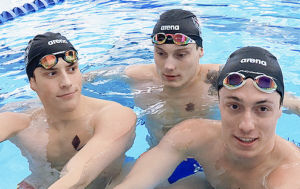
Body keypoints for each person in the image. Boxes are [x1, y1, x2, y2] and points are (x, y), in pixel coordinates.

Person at [83, 9, 300, 185]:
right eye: (161, 53)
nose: (169, 66)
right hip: (165, 153)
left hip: (209, 161)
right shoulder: (136, 76)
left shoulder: (223, 79)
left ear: (200, 51)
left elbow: (286, 100)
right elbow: (88, 78)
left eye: (181, 55)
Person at [113, 46, 300, 189]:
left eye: (262, 109)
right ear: (219, 104)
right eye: (234, 106)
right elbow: (135, 183)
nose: (246, 125)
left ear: (279, 110)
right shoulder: (192, 134)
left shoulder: (290, 173)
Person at [0, 32, 136, 189]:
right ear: (33, 83)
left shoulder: (114, 116)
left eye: (71, 69)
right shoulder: (21, 123)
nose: (66, 82)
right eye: (52, 73)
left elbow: (79, 174)